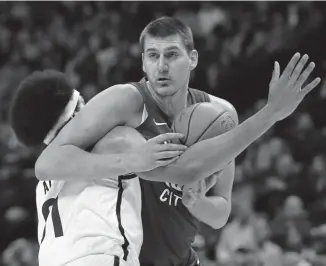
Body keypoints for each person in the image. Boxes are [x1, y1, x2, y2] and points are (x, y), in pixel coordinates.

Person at [34, 16, 320, 266]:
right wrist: (130, 161)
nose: (161, 66)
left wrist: (196, 203)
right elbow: (47, 163)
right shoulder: (125, 101)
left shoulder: (220, 115)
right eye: (152, 56)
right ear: (143, 61)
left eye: (171, 55)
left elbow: (220, 213)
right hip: (125, 258)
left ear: (193, 58)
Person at [9, 69, 188, 266]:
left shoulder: (43, 186)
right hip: (100, 256)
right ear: (77, 110)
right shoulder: (116, 139)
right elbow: (180, 176)